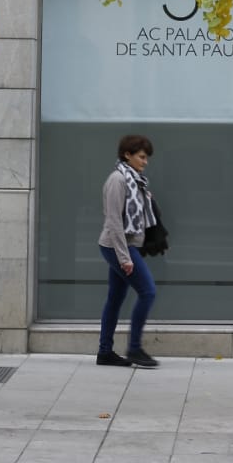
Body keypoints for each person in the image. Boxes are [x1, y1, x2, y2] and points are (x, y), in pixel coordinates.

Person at [96, 132, 159, 369]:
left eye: (146, 157)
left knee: (115, 298)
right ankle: (134, 348)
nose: (145, 161)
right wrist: (124, 258)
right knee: (148, 292)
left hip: (125, 245)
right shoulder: (118, 180)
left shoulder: (135, 181)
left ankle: (105, 352)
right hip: (116, 246)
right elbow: (113, 222)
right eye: (142, 157)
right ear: (127, 155)